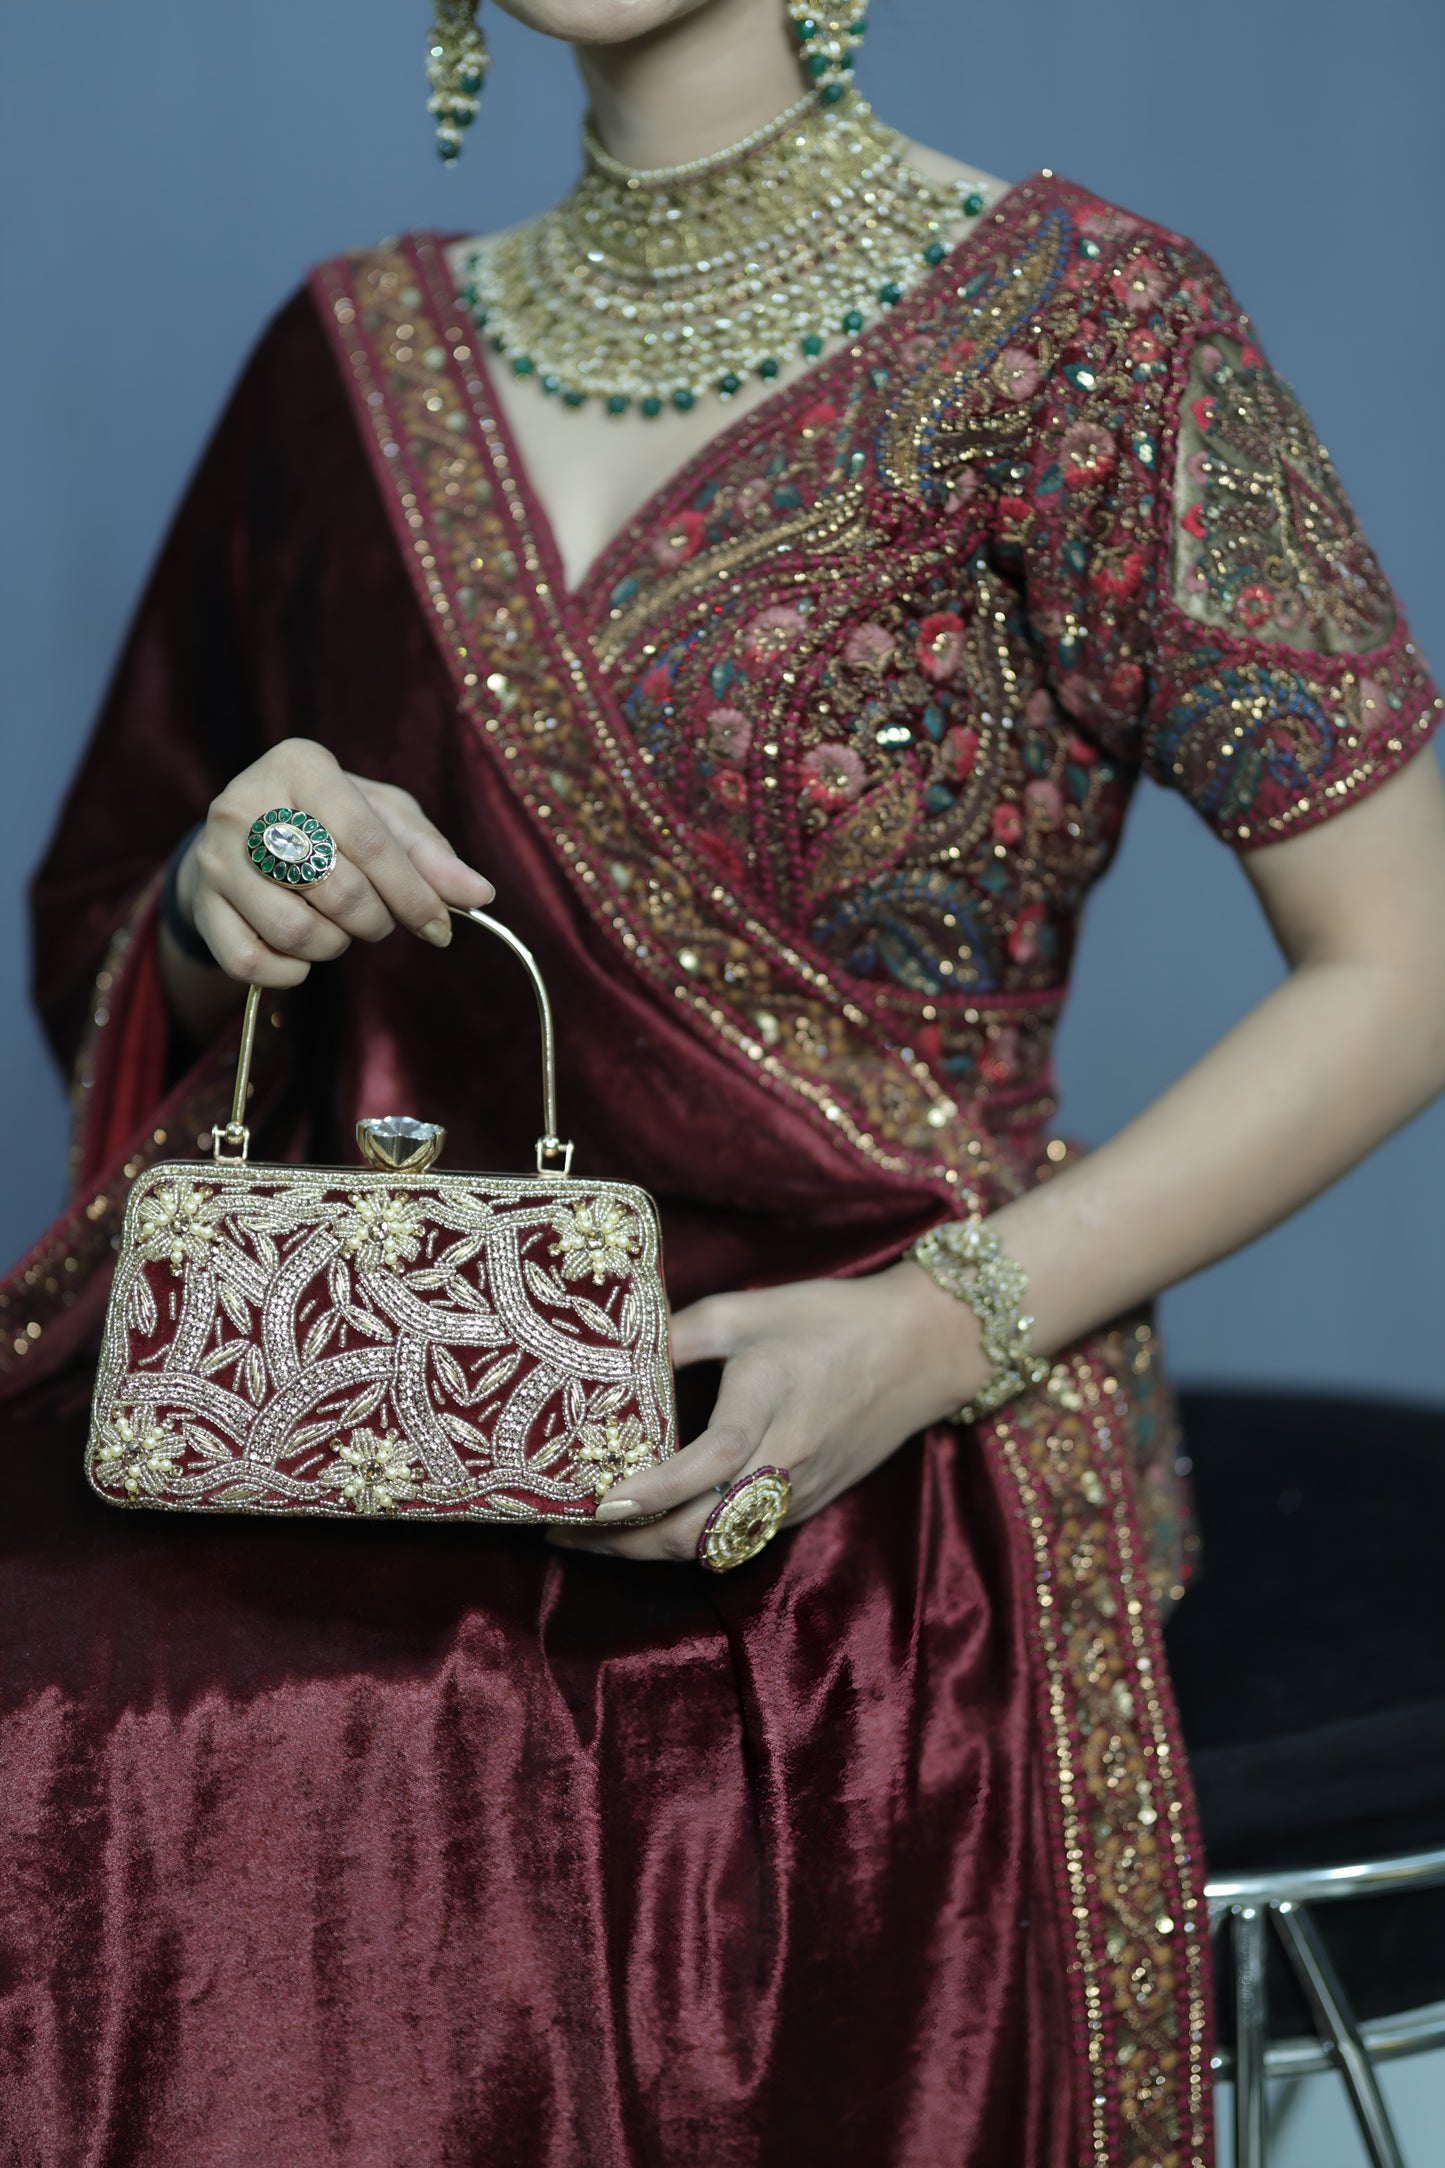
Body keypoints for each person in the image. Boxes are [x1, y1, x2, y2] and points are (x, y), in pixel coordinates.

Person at [2, 1, 1443, 2161]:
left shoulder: (1086, 328)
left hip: (868, 1401)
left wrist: (937, 1326)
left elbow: (1407, 960)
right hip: (384, 1375)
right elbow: (118, 909)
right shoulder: (348, 357)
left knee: (448, 1755)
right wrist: (243, 886)